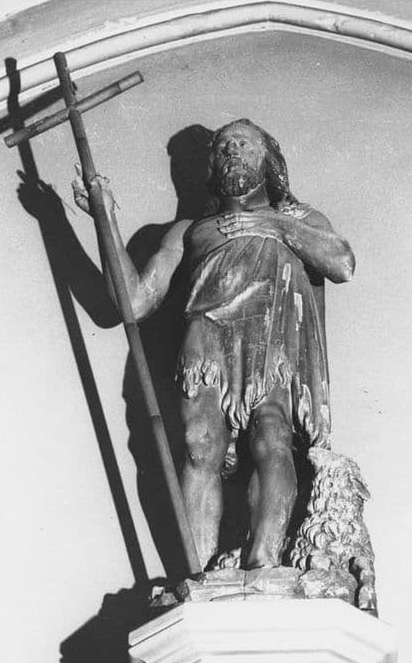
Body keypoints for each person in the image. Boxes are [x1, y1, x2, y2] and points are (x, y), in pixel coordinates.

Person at [73, 118, 355, 571]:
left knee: (271, 436)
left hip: (270, 337)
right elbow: (134, 302)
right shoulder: (191, 230)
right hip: (206, 337)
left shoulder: (299, 218)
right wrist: (104, 218)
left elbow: (341, 263)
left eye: (244, 144)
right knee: (198, 444)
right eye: (223, 147)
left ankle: (263, 566)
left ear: (269, 161)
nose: (232, 151)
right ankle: (198, 576)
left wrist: (269, 223)